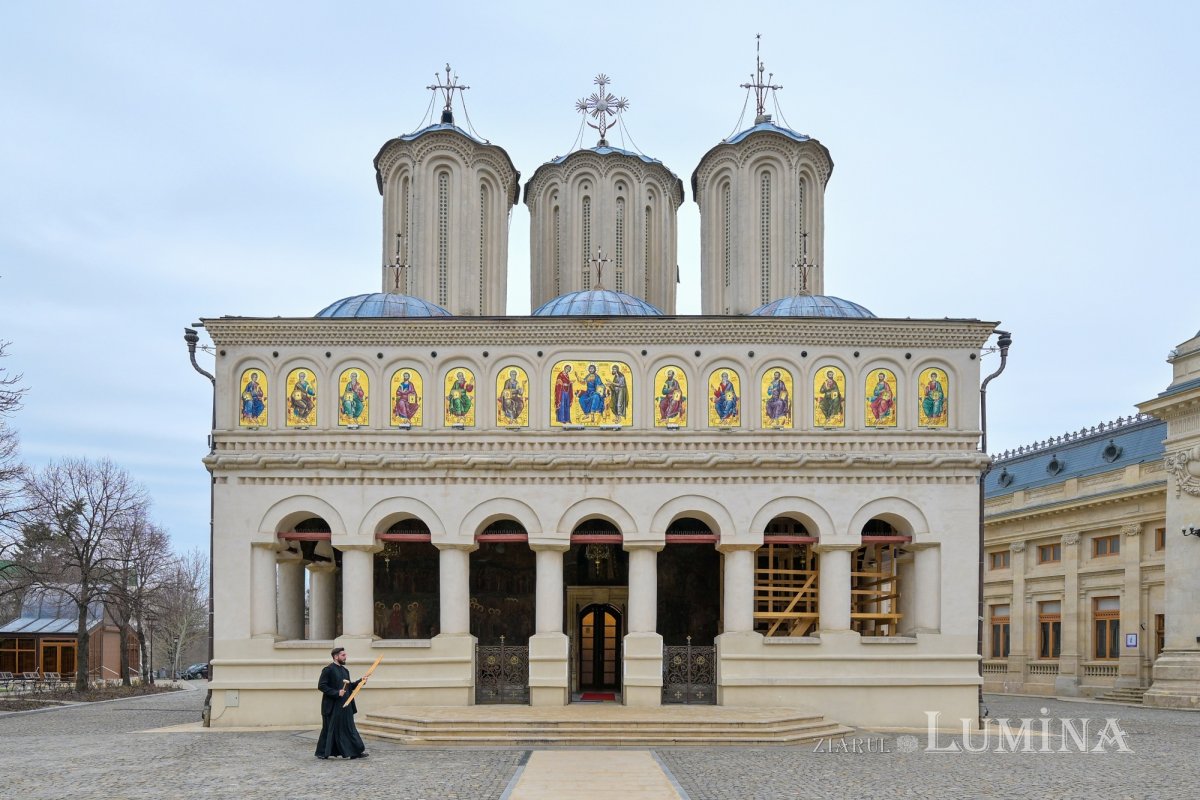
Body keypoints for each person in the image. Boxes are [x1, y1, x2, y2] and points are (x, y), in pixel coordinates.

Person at [316, 647, 368, 759]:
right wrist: (336, 692)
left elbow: (349, 687)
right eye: (343, 655)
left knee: (349, 728)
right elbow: (322, 686)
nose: (345, 657)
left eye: (345, 655)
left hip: (346, 705)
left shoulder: (345, 671)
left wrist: (360, 682)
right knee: (330, 729)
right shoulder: (328, 670)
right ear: (336, 656)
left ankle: (356, 752)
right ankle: (322, 752)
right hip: (333, 706)